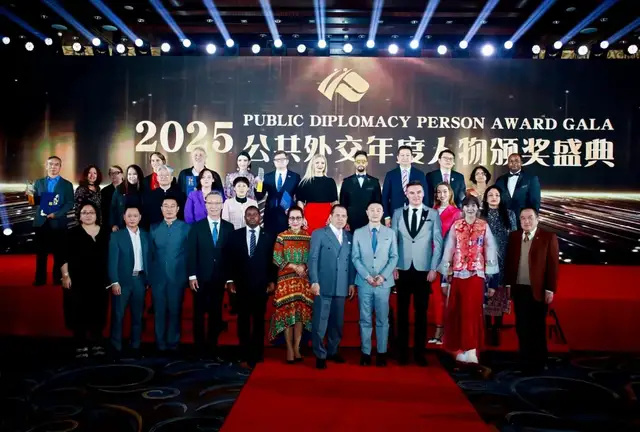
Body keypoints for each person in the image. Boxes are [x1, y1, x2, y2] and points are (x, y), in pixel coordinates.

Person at [438, 196, 498, 364]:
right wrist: (445, 277)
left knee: (471, 311)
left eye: (473, 206)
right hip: (458, 274)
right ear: (462, 208)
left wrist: (491, 278)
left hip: (476, 274)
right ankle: (459, 348)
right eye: (467, 206)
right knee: (457, 311)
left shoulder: (483, 226)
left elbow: (490, 249)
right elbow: (449, 249)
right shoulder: (456, 226)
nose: (470, 209)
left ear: (478, 208)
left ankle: (471, 349)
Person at [391, 180, 443, 366]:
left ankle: (420, 353)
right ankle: (402, 352)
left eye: (419, 192)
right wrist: (393, 266)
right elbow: (393, 241)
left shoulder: (433, 214)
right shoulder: (398, 213)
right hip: (402, 269)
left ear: (424, 194)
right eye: (412, 193)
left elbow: (438, 242)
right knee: (402, 312)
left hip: (424, 270)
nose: (415, 196)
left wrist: (433, 267)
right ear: (406, 194)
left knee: (421, 313)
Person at [505, 208, 559, 374]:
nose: (526, 221)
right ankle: (524, 360)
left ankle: (539, 362)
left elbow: (553, 265)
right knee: (522, 326)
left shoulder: (548, 237)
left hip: (538, 290)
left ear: (537, 219)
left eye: (530, 218)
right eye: (523, 218)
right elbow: (510, 262)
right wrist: (508, 285)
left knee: (537, 327)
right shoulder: (514, 237)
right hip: (519, 289)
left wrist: (550, 288)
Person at [227, 206, 277, 367]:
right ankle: (244, 353)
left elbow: (273, 261)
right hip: (241, 286)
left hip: (261, 286)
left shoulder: (269, 236)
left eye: (255, 214)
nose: (252, 217)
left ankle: (257, 353)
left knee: (258, 321)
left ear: (259, 217)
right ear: (245, 217)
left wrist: (272, 281)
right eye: (249, 215)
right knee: (243, 321)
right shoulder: (235, 236)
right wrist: (229, 280)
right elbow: (229, 260)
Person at [308, 205, 356, 369]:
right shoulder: (319, 233)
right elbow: (313, 259)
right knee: (320, 322)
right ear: (330, 217)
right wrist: (314, 281)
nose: (341, 218)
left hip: (341, 286)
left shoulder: (349, 237)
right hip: (323, 285)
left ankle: (333, 351)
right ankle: (320, 354)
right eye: (337, 215)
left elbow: (351, 262)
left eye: (344, 216)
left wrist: (351, 282)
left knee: (337, 322)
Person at [187, 191, 234, 358]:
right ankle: (199, 348)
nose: (214, 206)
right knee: (199, 314)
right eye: (210, 203)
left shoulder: (229, 227)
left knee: (216, 313)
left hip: (219, 278)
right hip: (200, 278)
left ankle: (212, 347)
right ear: (206, 205)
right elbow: (191, 252)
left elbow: (230, 255)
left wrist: (229, 278)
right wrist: (192, 276)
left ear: (222, 205)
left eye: (217, 203)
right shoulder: (196, 227)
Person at [351, 202, 398, 367]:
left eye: (378, 210)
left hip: (383, 283)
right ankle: (365, 352)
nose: (375, 213)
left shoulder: (390, 233)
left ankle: (382, 352)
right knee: (364, 318)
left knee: (382, 319)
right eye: (372, 210)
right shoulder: (358, 233)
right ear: (367, 212)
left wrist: (383, 276)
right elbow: (355, 257)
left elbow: (394, 256)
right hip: (364, 282)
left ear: (383, 213)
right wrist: (366, 276)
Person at [60, 202, 110, 358]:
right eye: (84, 212)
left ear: (97, 215)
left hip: (100, 280)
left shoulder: (106, 232)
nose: (88, 215)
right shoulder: (72, 233)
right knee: (78, 311)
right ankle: (80, 344)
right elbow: (62, 256)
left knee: (98, 311)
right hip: (78, 280)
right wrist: (65, 275)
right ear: (79, 216)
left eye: (91, 212)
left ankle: (97, 343)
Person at [269, 206, 313, 363]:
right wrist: (295, 267)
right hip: (285, 281)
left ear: (302, 220)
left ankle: (296, 347)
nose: (295, 221)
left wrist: (305, 267)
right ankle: (288, 348)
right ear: (288, 220)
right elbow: (276, 258)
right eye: (292, 218)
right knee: (288, 315)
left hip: (303, 281)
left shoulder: (308, 237)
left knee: (300, 315)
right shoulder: (281, 237)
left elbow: (313, 257)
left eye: (298, 218)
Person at [149, 196, 190, 353]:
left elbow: (189, 253)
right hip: (158, 278)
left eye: (173, 206)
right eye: (166, 206)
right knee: (159, 311)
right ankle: (160, 343)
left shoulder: (186, 228)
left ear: (178, 209)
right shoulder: (153, 228)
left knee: (175, 310)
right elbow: (150, 254)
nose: (169, 209)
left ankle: (173, 343)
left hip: (177, 277)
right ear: (161, 209)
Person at [108, 205, 150, 356]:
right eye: (129, 216)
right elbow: (112, 261)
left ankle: (135, 346)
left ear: (140, 218)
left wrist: (147, 279)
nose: (132, 219)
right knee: (118, 315)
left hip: (140, 280)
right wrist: (114, 281)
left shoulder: (146, 235)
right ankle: (116, 347)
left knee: (137, 315)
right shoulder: (116, 236)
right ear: (124, 218)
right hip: (122, 281)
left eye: (135, 216)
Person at [481, 186, 517, 346]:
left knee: (500, 293)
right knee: (486, 292)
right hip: (484, 260)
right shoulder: (481, 215)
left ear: (501, 197)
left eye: (497, 195)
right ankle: (487, 326)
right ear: (486, 198)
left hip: (503, 260)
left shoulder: (509, 214)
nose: (494, 197)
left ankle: (497, 327)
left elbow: (514, 237)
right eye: (490, 195)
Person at [31, 155, 74, 286]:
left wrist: (57, 214)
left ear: (60, 167)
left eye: (56, 164)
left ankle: (57, 279)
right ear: (46, 166)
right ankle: (40, 279)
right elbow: (34, 201)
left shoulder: (67, 184)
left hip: (58, 222)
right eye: (50, 164)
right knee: (41, 254)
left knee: (59, 253)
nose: (53, 167)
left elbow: (70, 203)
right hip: (41, 222)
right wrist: (29, 196)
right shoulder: (38, 182)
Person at [428, 182, 462, 345]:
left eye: (445, 191)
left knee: (448, 295)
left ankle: (448, 330)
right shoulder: (431, 211)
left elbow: (458, 239)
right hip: (432, 259)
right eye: (439, 192)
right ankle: (438, 327)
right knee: (436, 297)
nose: (442, 195)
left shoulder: (456, 213)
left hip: (448, 259)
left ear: (450, 193)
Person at [254, 150, 301, 235]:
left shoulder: (295, 177)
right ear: (274, 162)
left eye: (282, 159)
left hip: (287, 215)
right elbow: (260, 196)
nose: (280, 162)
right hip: (270, 215)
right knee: (269, 240)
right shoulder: (267, 177)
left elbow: (299, 197)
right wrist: (258, 186)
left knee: (287, 240)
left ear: (287, 161)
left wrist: (295, 212)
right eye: (277, 160)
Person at [381, 145, 429, 226]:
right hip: (395, 214)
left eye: (407, 155)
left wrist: (424, 214)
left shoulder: (420, 174)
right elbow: (385, 197)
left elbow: (425, 196)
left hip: (416, 214)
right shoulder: (390, 175)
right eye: (402, 155)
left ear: (412, 157)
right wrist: (386, 216)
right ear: (398, 158)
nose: (405, 158)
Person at [339, 151, 382, 232]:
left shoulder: (374, 182)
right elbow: (343, 204)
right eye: (358, 161)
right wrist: (345, 221)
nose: (361, 164)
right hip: (351, 223)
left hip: (369, 221)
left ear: (367, 163)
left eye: (363, 161)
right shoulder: (346, 182)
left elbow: (378, 204)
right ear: (355, 163)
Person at [494, 153, 541, 225]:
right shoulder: (500, 180)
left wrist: (532, 219)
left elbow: (535, 201)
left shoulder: (531, 179)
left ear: (521, 163)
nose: (514, 163)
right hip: (503, 220)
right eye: (511, 161)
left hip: (524, 220)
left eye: (516, 160)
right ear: (508, 164)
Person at [296, 154, 338, 233]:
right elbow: (300, 201)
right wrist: (302, 216)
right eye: (317, 163)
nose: (320, 165)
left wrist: (332, 216)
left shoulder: (330, 182)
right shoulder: (305, 182)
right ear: (312, 164)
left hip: (327, 216)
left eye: (322, 163)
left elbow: (334, 202)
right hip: (309, 215)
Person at [111, 164, 145, 231]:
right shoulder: (120, 188)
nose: (132, 176)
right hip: (122, 226)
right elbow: (113, 208)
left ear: (139, 175)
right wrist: (113, 224)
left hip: (142, 226)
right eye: (129, 174)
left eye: (134, 174)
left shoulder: (145, 188)